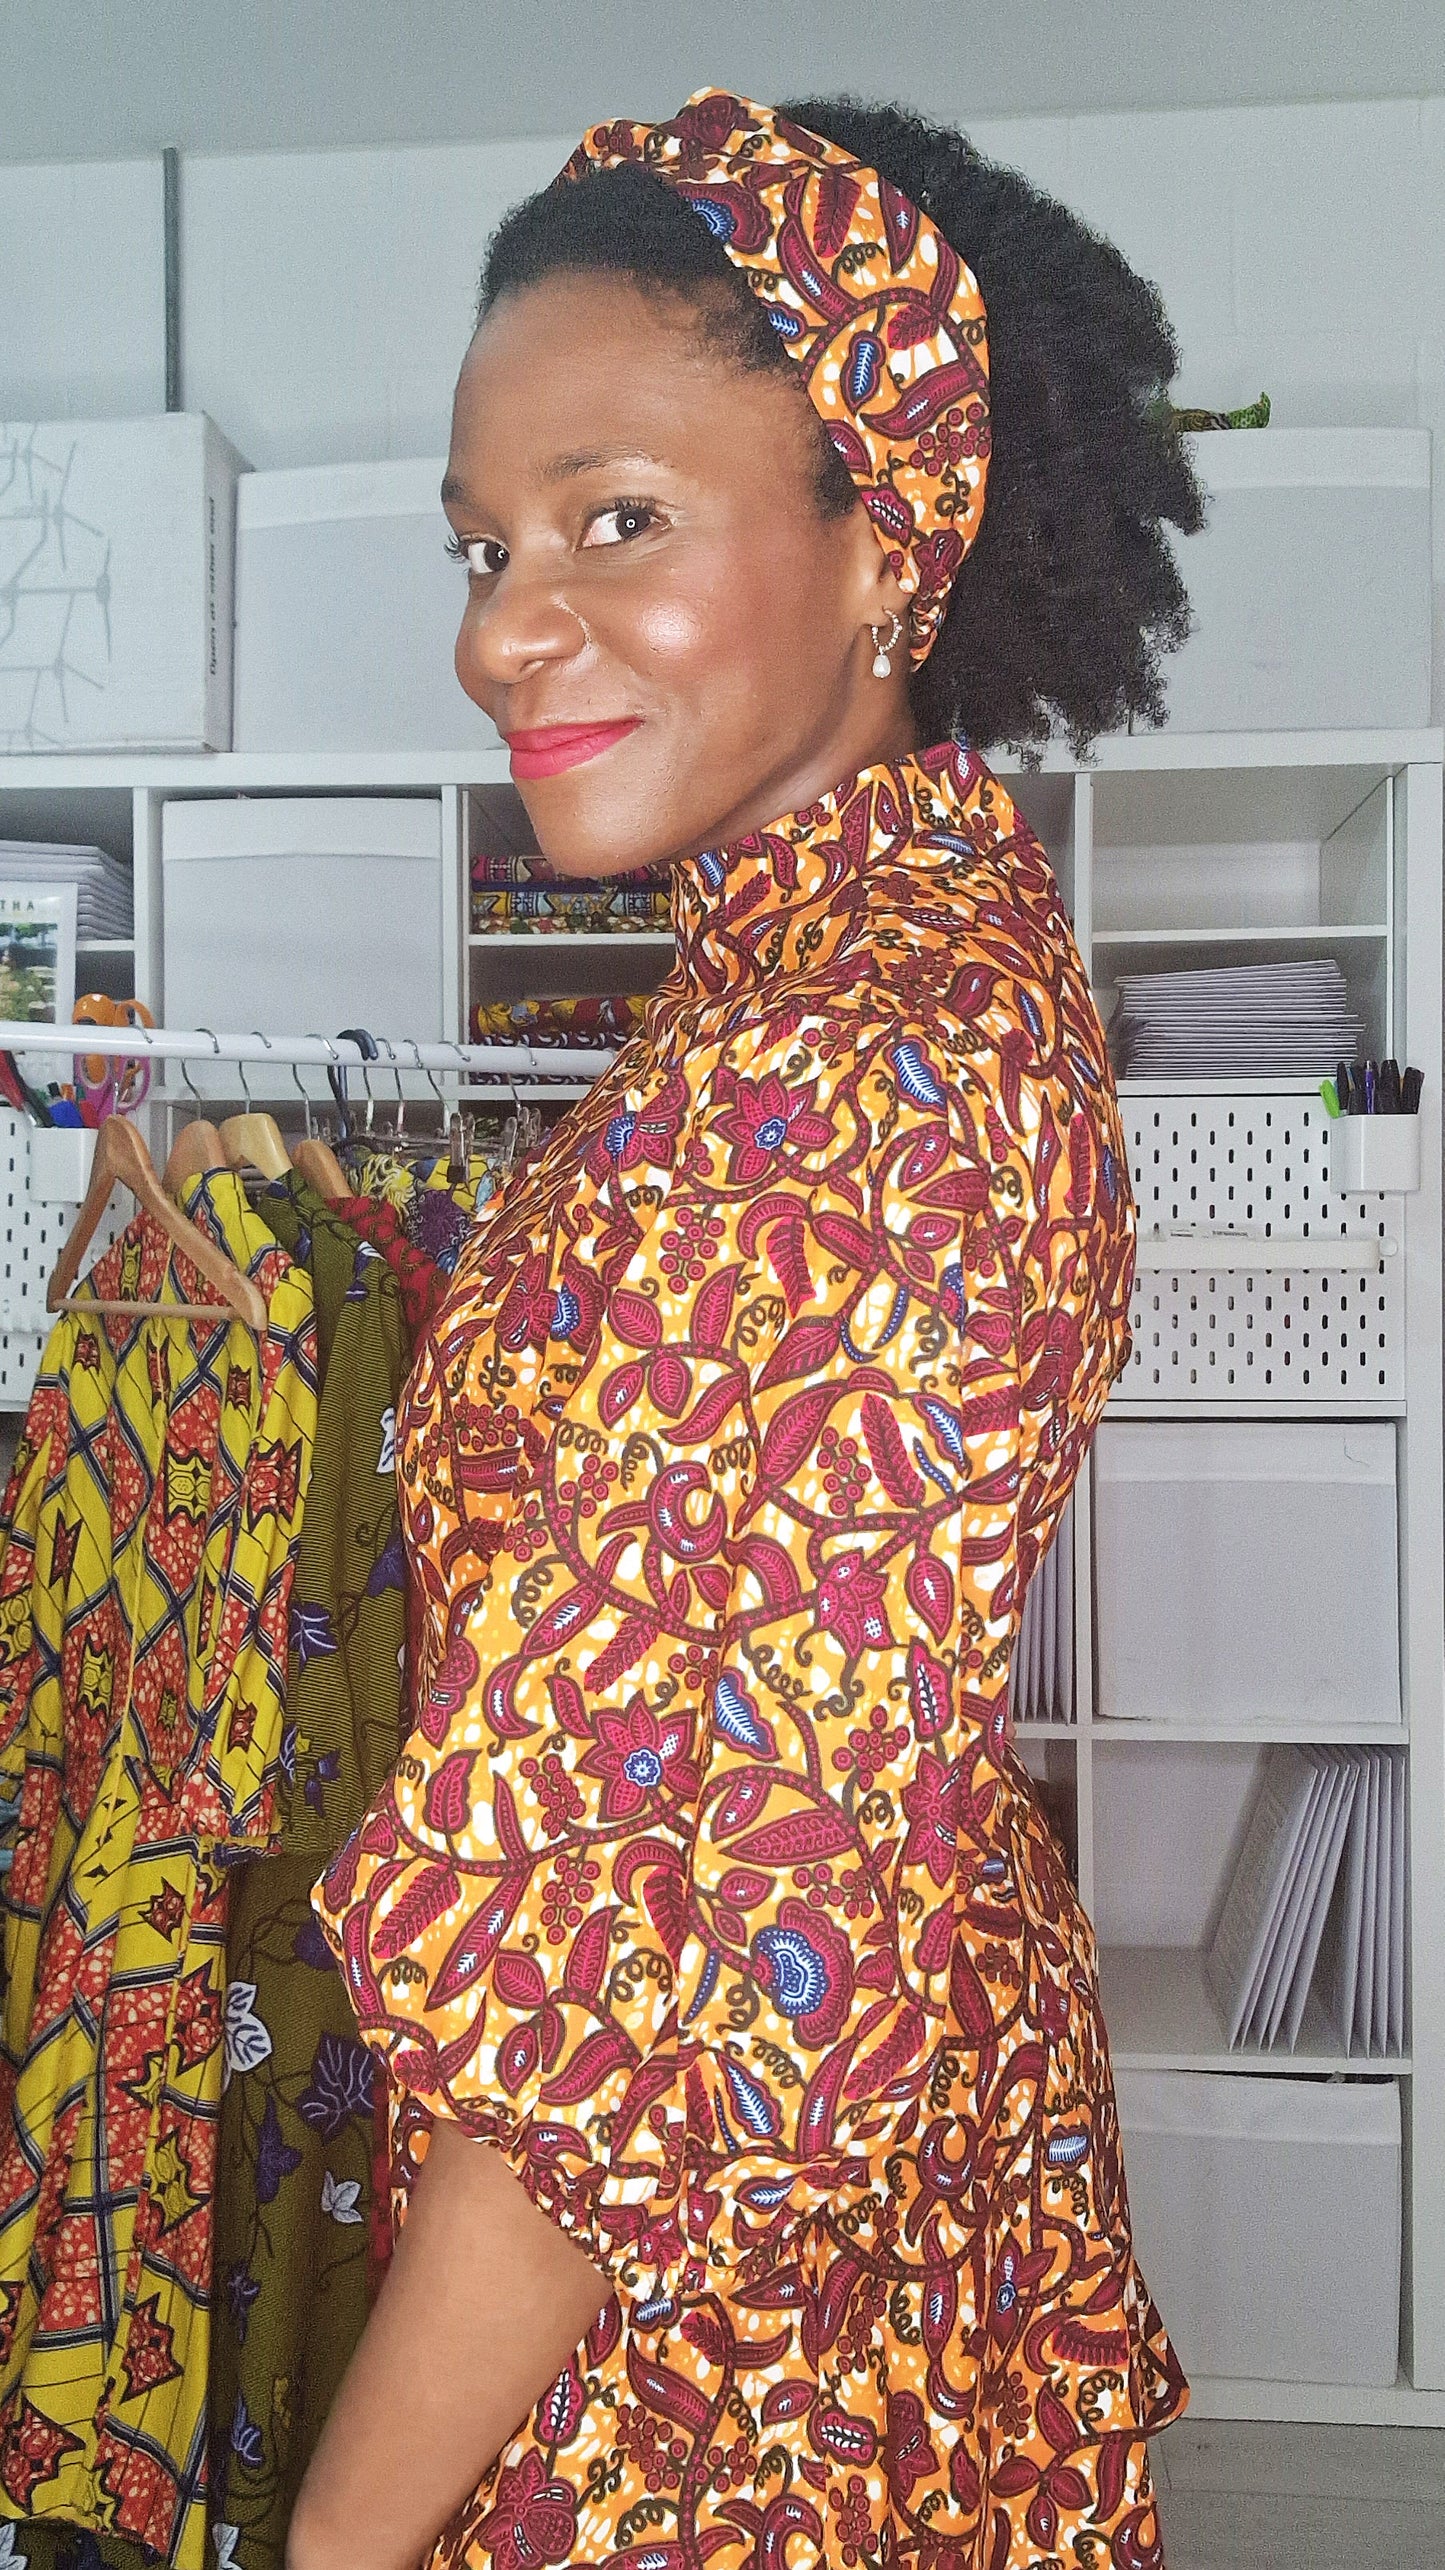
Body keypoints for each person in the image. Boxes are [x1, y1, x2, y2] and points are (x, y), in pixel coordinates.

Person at [289, 88, 1202, 2570]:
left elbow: (626, 2011)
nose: (495, 625)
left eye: (614, 518)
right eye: (484, 544)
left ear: (883, 537)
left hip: (717, 2359)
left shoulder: (838, 1071)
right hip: (876, 2219)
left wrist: (335, 2546)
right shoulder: (882, 970)